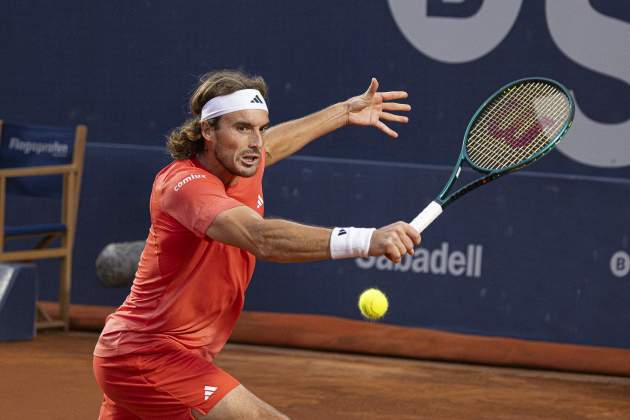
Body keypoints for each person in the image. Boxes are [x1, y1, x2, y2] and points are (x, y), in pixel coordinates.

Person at [93, 69, 420, 419]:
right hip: (146, 354)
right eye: (242, 128)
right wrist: (366, 239)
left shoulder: (241, 160)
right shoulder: (185, 185)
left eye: (260, 128)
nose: (256, 143)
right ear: (207, 130)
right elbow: (261, 238)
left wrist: (343, 112)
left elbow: (275, 144)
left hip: (170, 355)